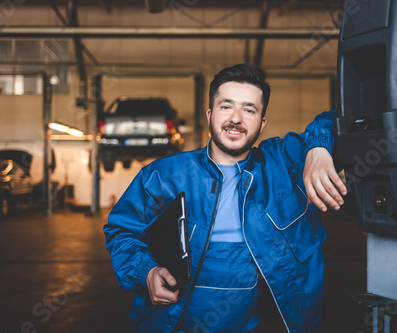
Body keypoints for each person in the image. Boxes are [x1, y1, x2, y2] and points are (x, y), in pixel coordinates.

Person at [104, 64, 346, 332]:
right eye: (226, 106)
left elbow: (351, 115)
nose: (236, 119)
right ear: (210, 114)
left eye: (249, 109)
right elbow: (121, 230)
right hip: (169, 324)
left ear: (262, 123)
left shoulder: (284, 163)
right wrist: (146, 271)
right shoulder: (164, 175)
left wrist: (319, 146)